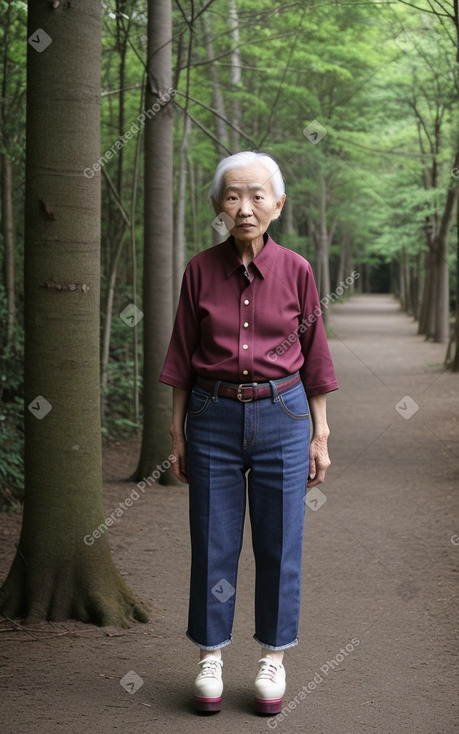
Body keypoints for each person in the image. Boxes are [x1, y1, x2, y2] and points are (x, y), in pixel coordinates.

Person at [159, 151, 338, 715]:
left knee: (280, 543)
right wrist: (176, 431)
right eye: (233, 195)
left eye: (258, 195)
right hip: (211, 415)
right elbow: (183, 354)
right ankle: (210, 655)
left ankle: (273, 658)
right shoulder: (199, 270)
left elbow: (315, 357)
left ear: (278, 204)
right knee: (213, 540)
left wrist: (320, 433)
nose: (245, 207)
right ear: (218, 205)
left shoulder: (298, 271)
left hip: (283, 415)